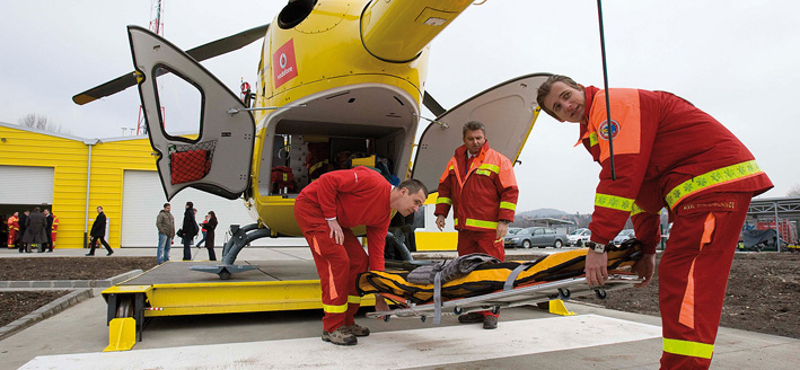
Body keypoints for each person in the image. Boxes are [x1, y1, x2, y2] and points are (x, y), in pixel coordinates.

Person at [536, 74, 773, 370]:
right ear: (558, 119)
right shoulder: (595, 129)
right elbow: (640, 193)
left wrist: (598, 246)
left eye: (567, 95)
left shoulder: (612, 106)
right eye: (558, 107)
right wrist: (647, 249)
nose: (567, 105)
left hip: (712, 185)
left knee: (686, 281)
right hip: (702, 188)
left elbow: (620, 178)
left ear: (580, 88)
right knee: (681, 278)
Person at [294, 167, 427, 346]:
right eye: (416, 202)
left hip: (334, 219)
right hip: (312, 210)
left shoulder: (383, 217)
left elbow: (376, 257)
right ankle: (332, 327)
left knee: (360, 262)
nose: (417, 209)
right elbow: (327, 180)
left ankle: (347, 322)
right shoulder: (372, 180)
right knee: (337, 261)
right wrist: (330, 218)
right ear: (403, 191)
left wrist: (379, 296)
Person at [434, 121, 519, 330]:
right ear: (464, 139)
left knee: (492, 271)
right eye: (471, 139)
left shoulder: (499, 160)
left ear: (485, 138)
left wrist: (504, 221)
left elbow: (510, 192)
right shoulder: (454, 162)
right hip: (465, 231)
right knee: (466, 271)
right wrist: (440, 213)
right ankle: (474, 310)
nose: (475, 142)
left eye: (479, 138)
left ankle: (491, 312)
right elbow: (445, 189)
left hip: (489, 231)